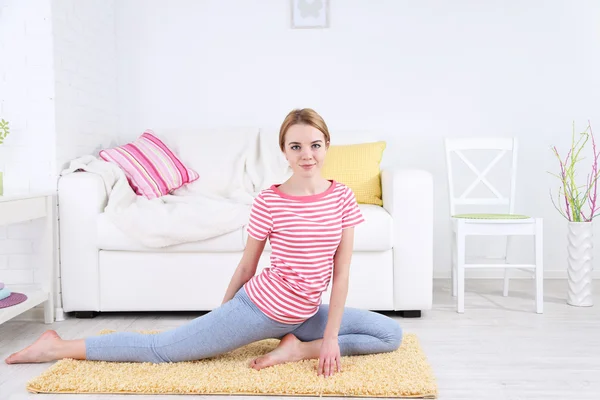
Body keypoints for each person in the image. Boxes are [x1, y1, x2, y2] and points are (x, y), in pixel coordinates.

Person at [5, 108, 402, 377]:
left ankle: (296, 349)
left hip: (305, 313)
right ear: (284, 151)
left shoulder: (342, 197)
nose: (307, 154)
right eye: (296, 146)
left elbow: (342, 272)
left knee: (389, 335)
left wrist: (329, 337)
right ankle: (56, 346)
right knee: (162, 350)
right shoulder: (270, 199)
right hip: (259, 308)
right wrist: (225, 313)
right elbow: (247, 266)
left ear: (327, 146)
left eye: (315, 144)